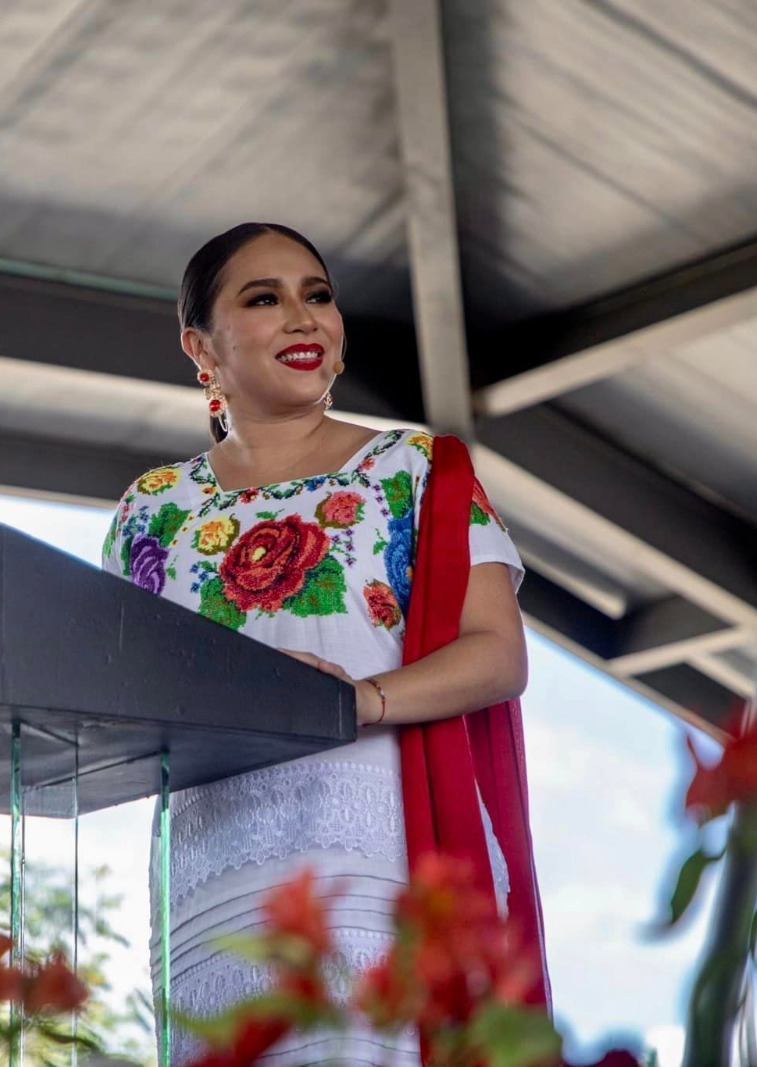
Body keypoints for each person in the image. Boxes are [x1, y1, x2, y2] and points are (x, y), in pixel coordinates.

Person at [101, 222, 545, 1065]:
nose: (304, 318)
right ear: (201, 346)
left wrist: (357, 699)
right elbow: (126, 697)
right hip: (210, 866)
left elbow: (498, 654)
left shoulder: (413, 468)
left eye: (318, 295)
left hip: (381, 850)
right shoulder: (149, 508)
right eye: (264, 299)